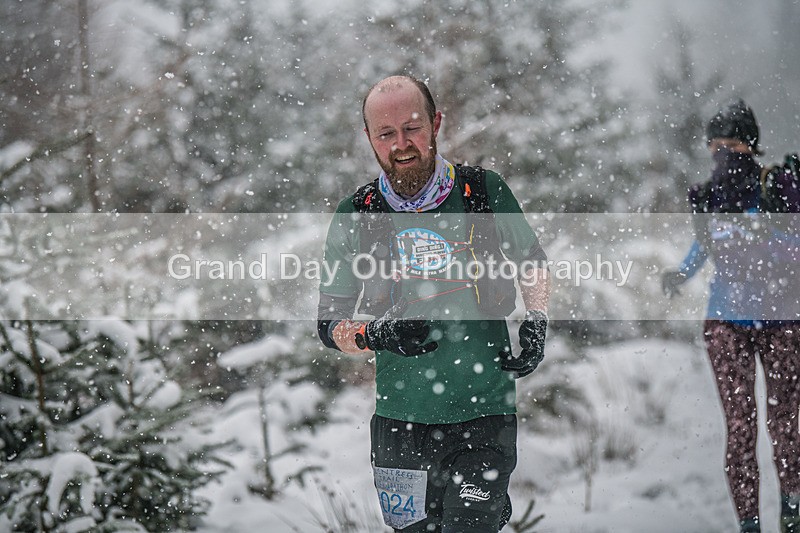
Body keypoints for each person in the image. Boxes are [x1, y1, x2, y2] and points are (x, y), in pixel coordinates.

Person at [317, 75, 551, 532]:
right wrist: (375, 334)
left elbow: (532, 260)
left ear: (436, 124)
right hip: (400, 426)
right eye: (386, 134)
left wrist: (537, 318)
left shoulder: (482, 192)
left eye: (412, 128)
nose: (402, 144)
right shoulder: (356, 214)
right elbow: (329, 324)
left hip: (483, 412)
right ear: (370, 138)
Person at [662, 99, 800, 533]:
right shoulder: (709, 196)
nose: (722, 152)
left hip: (783, 321)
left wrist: (768, 234)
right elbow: (702, 247)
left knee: (786, 422)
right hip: (725, 324)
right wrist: (679, 276)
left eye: (732, 143)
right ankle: (749, 525)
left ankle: (792, 509)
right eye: (715, 144)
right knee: (740, 427)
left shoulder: (777, 186)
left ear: (750, 146)